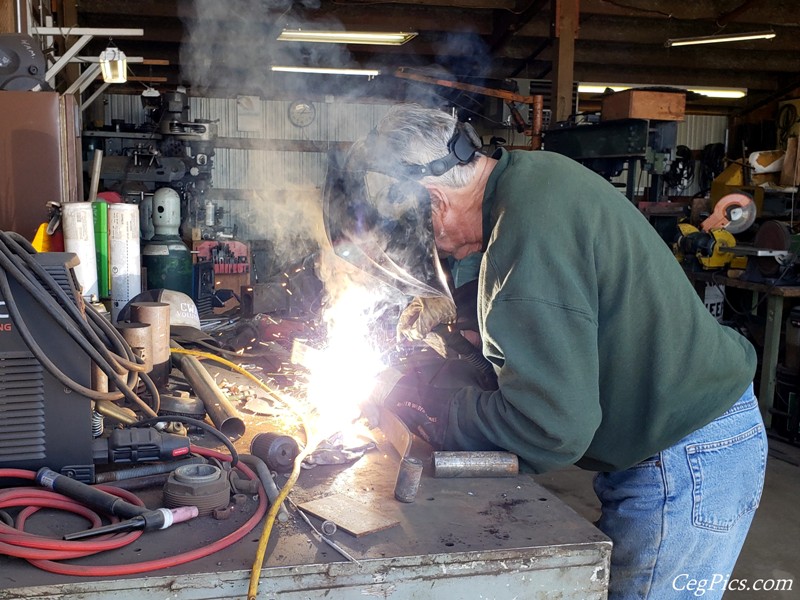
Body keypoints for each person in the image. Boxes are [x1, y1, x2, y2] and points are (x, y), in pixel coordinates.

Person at [324, 103, 766, 600]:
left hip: (686, 454)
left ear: (434, 200)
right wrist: (462, 321)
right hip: (681, 436)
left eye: (432, 243)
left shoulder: (525, 234)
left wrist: (440, 408)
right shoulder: (528, 178)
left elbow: (551, 429)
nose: (440, 254)